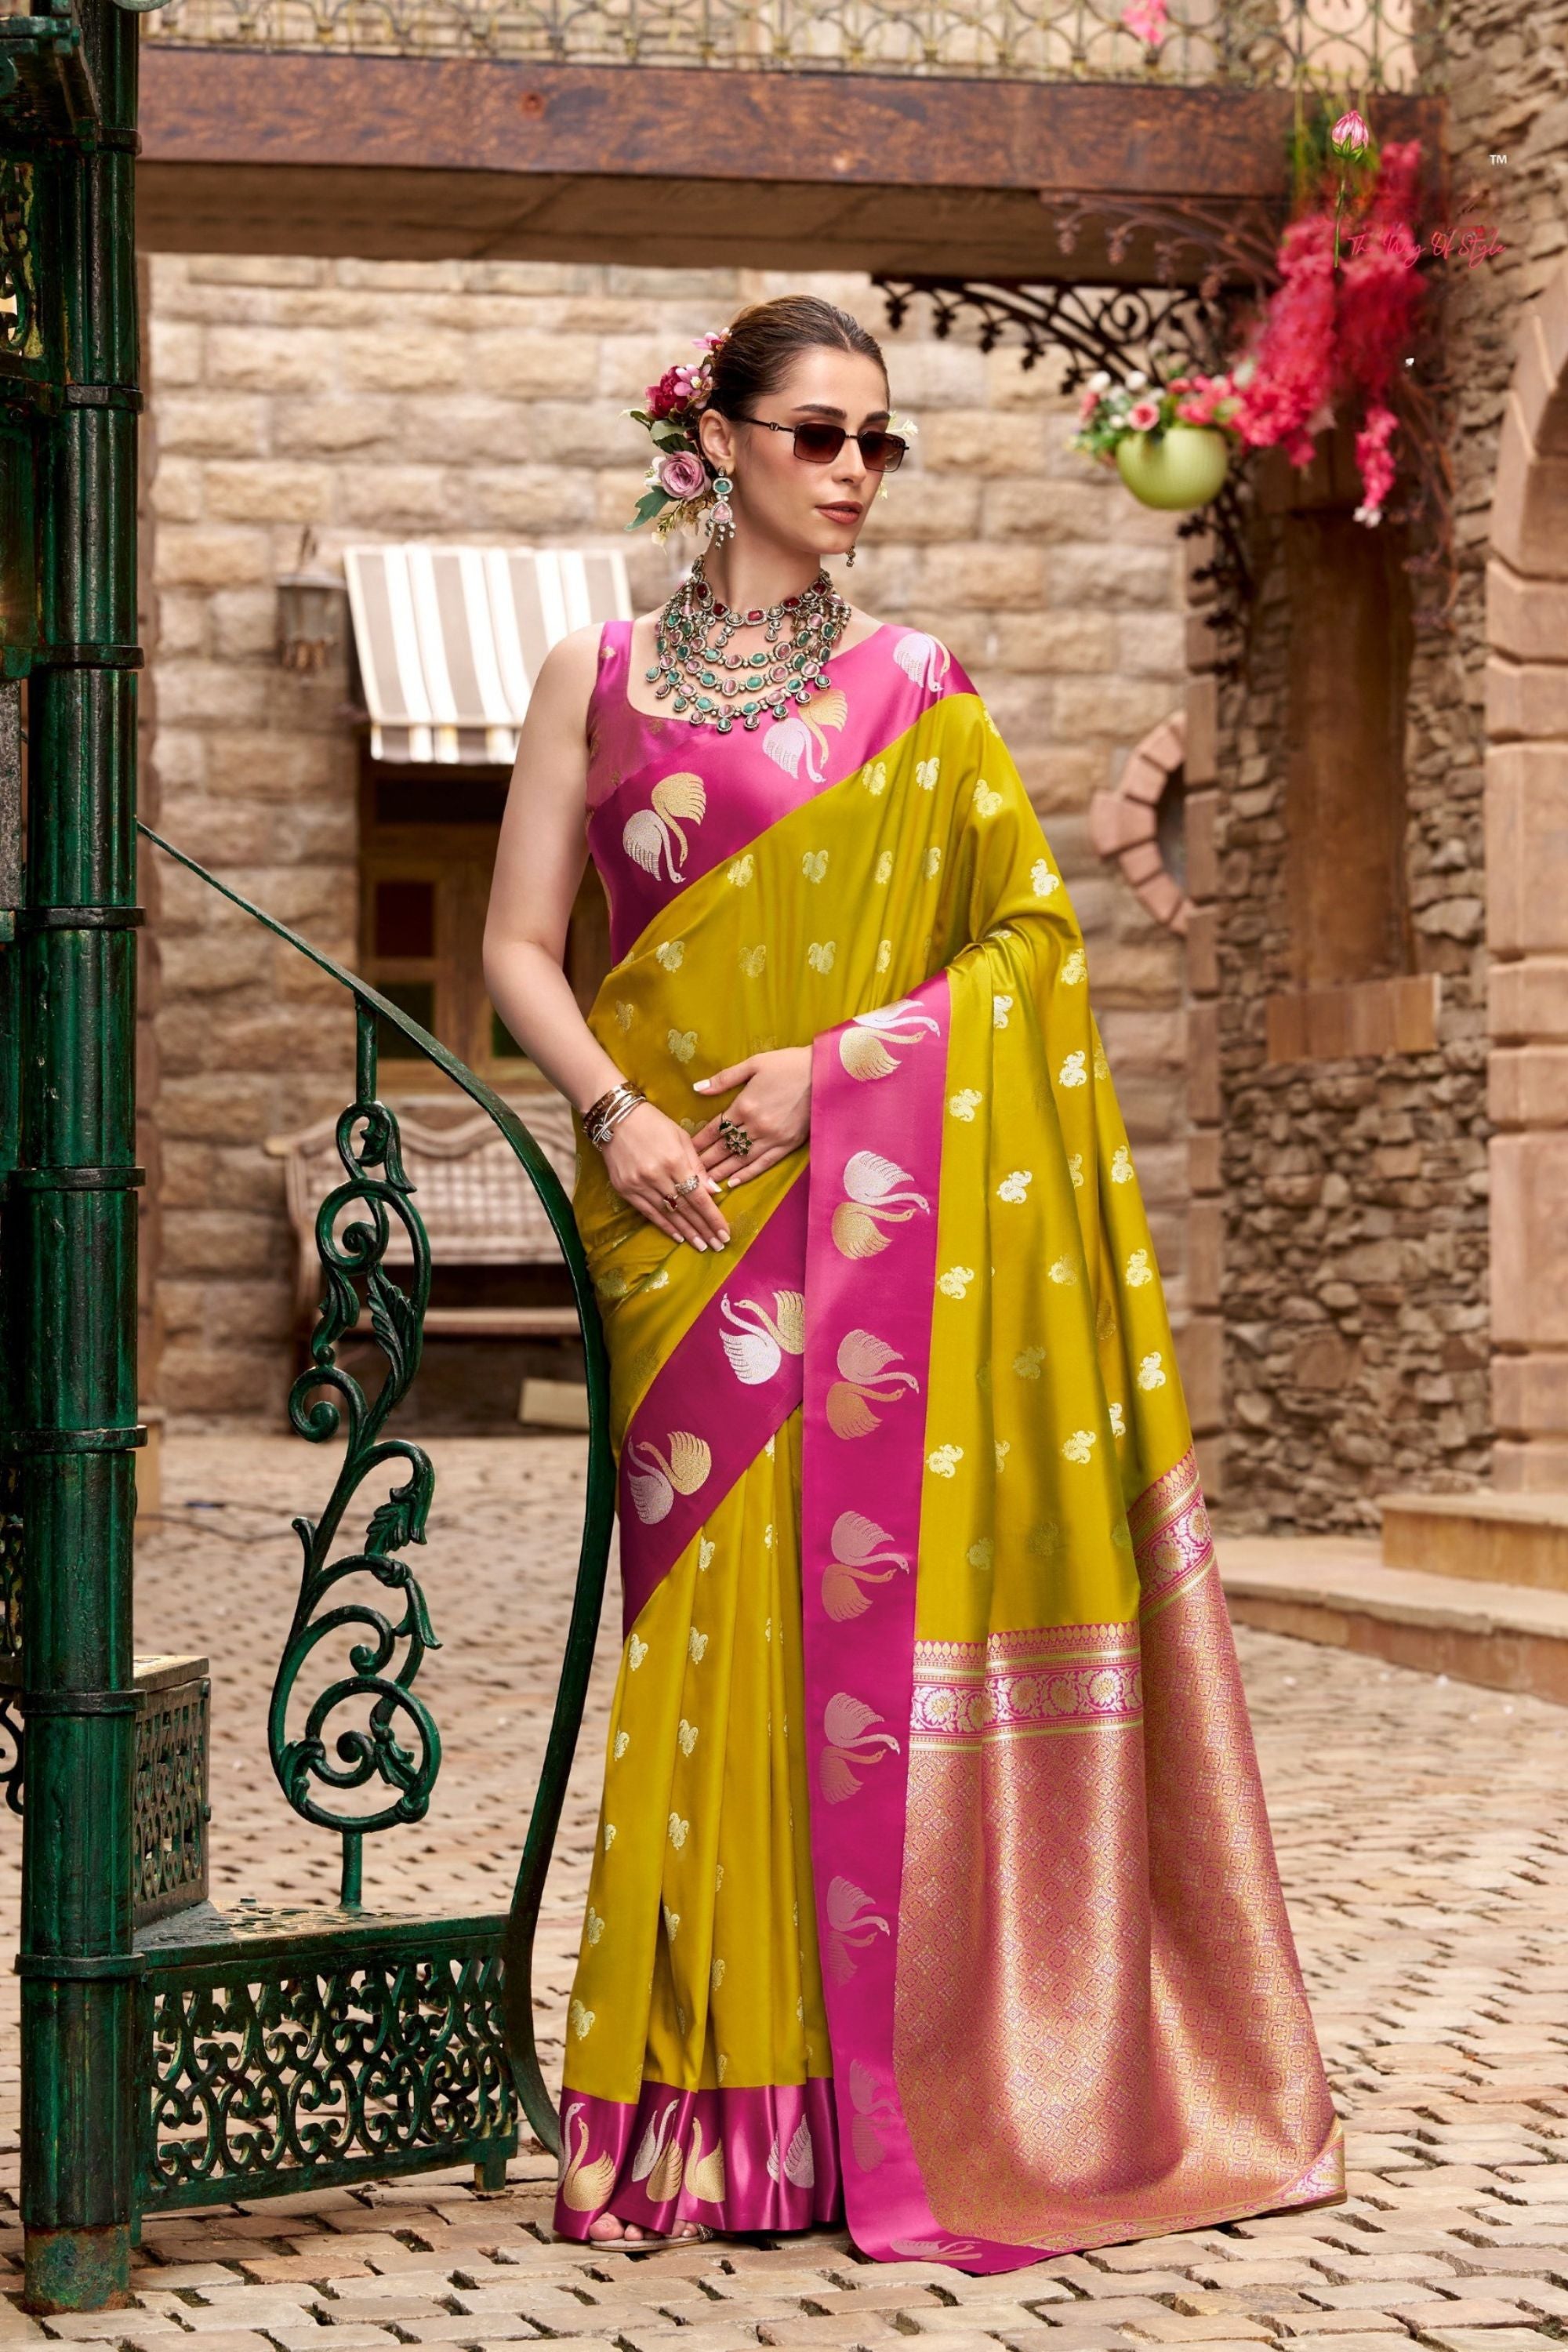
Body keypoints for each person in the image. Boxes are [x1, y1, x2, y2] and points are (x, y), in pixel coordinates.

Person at [482, 294, 1343, 2270]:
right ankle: (700, 2112)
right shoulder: (588, 674)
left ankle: (845, 2108)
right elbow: (522, 947)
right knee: (701, 1651)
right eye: (820, 434)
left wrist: (842, 1071)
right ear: (717, 440)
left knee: (835, 1646)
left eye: (881, 440)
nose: (856, 471)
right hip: (671, 1217)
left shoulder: (916, 692)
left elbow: (1026, 952)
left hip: (856, 1217)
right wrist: (615, 1112)